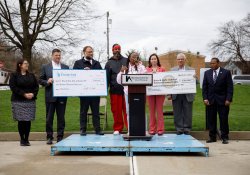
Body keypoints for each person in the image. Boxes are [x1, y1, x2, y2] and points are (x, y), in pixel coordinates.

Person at [39, 49, 69, 144]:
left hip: (62, 96)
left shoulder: (65, 67)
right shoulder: (45, 67)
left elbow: (69, 80)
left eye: (59, 55)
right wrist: (47, 81)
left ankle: (60, 137)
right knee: (49, 118)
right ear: (52, 56)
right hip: (50, 96)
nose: (58, 57)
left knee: (61, 118)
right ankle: (49, 137)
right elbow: (40, 80)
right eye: (56, 55)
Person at [73, 46, 104, 136]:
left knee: (96, 112)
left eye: (91, 52)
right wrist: (82, 72)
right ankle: (83, 129)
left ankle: (97, 130)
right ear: (84, 52)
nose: (91, 53)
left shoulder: (97, 63)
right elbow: (74, 75)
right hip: (84, 93)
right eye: (89, 52)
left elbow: (101, 76)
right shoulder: (78, 63)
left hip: (95, 92)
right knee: (83, 112)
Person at [202, 57, 233, 144]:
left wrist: (228, 99)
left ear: (218, 63)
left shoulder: (226, 73)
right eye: (211, 63)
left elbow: (230, 87)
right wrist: (205, 98)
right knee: (211, 119)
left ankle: (225, 137)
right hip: (210, 101)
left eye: (214, 63)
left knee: (223, 119)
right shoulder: (207, 73)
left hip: (223, 101)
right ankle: (212, 137)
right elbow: (205, 88)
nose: (212, 65)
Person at [9, 59, 39, 146]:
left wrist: (33, 94)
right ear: (20, 65)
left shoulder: (31, 75)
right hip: (18, 101)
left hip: (30, 101)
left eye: (27, 63)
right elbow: (13, 87)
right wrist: (24, 94)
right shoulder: (14, 75)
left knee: (28, 120)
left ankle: (27, 139)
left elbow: (36, 87)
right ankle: (22, 139)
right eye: (25, 63)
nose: (27, 65)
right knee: (21, 121)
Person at [116, 51, 146, 133]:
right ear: (129, 58)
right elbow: (119, 81)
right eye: (133, 56)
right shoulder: (125, 68)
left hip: (140, 93)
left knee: (139, 111)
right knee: (129, 111)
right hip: (128, 92)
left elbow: (145, 76)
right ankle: (130, 130)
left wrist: (139, 66)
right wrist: (121, 71)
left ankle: (141, 130)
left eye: (136, 57)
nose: (134, 58)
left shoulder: (140, 66)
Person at [105, 44, 128, 135]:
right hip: (114, 90)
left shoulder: (126, 60)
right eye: (115, 49)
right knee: (116, 110)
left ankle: (129, 127)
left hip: (126, 90)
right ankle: (118, 128)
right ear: (112, 50)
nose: (117, 50)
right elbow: (106, 77)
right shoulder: (109, 63)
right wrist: (105, 89)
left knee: (127, 110)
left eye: (119, 49)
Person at [170, 53, 195, 135]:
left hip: (187, 93)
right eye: (179, 59)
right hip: (176, 94)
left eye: (182, 59)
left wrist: (195, 78)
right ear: (177, 60)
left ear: (185, 60)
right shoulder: (172, 70)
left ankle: (187, 128)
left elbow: (196, 82)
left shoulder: (191, 70)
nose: (180, 60)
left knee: (188, 112)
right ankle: (179, 128)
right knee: (177, 112)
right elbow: (170, 82)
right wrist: (169, 94)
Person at [146, 54, 166, 136]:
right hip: (150, 92)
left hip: (160, 92)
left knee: (159, 111)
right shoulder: (147, 69)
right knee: (151, 111)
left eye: (155, 58)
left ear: (157, 60)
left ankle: (160, 129)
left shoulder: (162, 69)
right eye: (152, 59)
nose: (153, 60)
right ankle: (152, 129)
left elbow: (165, 80)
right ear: (150, 60)